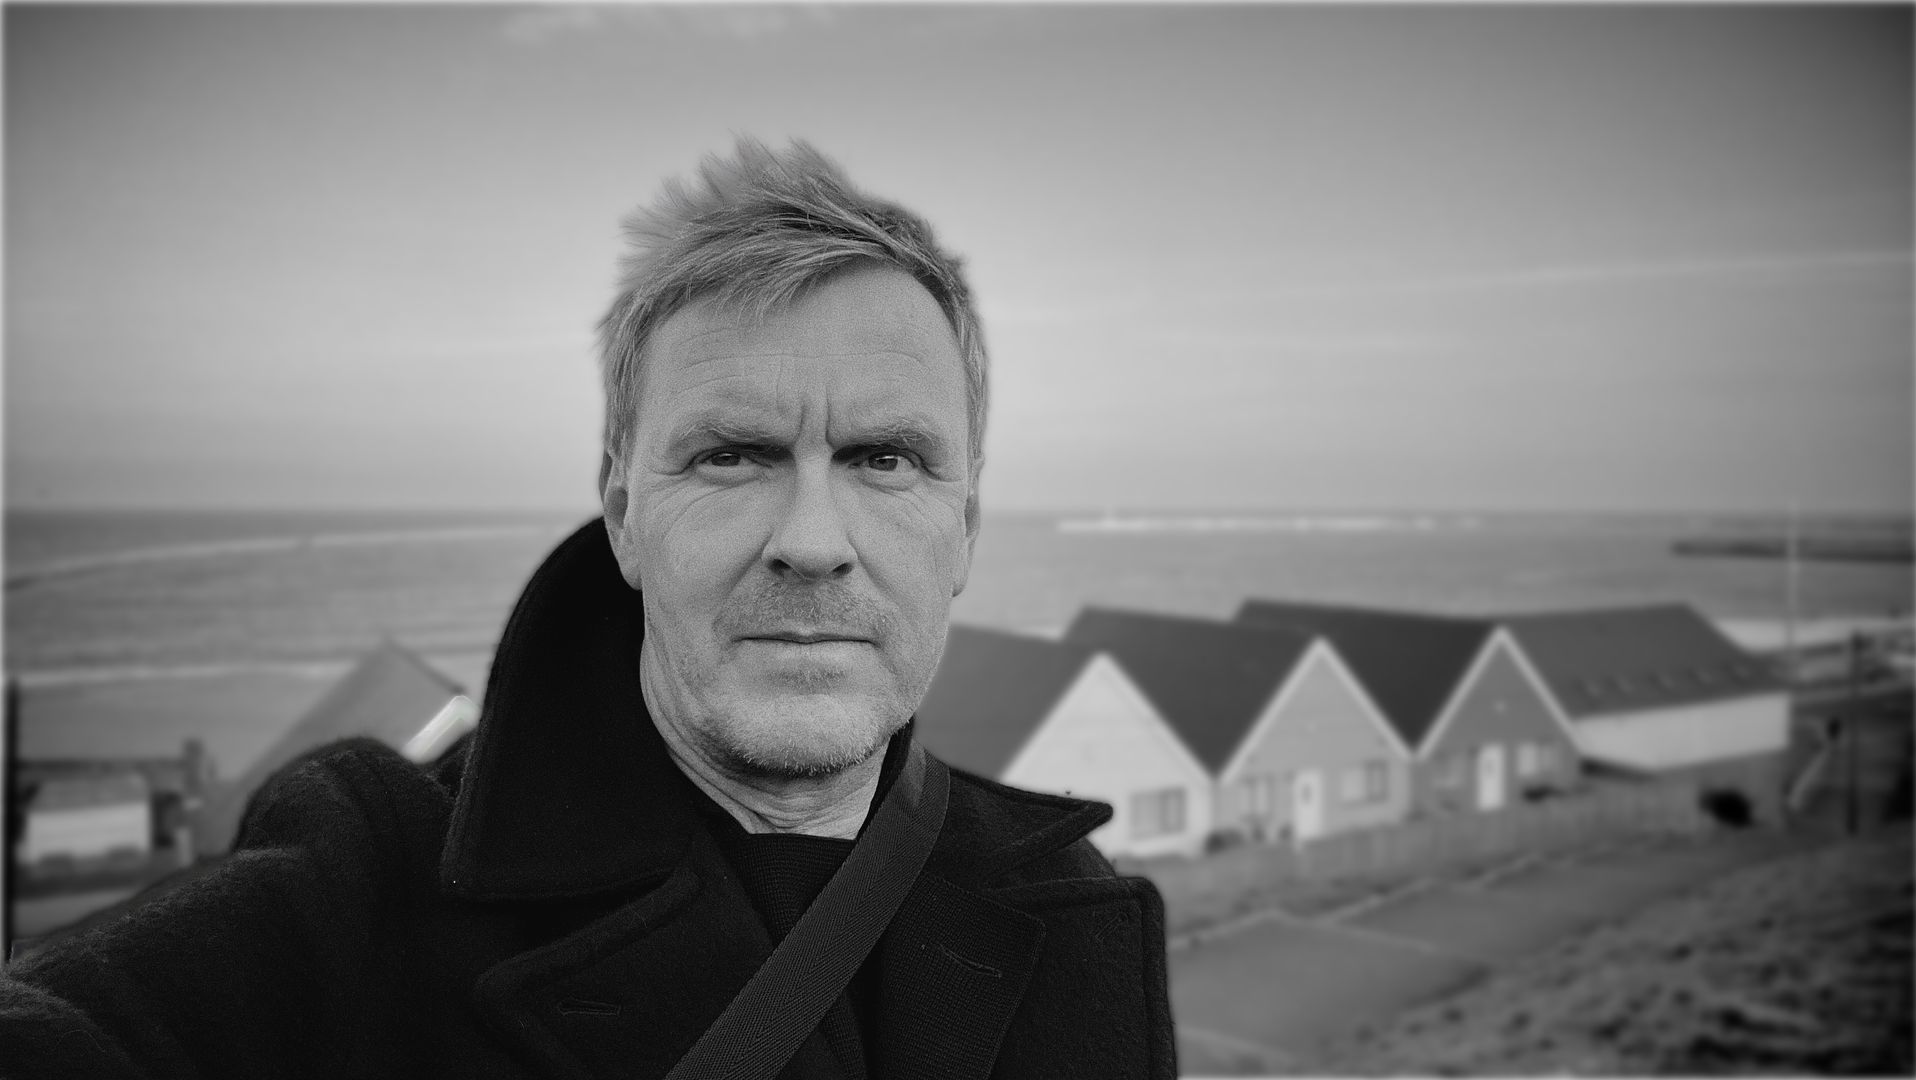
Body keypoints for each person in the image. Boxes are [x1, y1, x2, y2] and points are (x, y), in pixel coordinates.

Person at [1, 139, 1177, 1079]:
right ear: (622, 515)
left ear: (963, 532)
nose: (812, 543)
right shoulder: (370, 884)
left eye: (884, 459)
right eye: (730, 455)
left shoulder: (1074, 902)